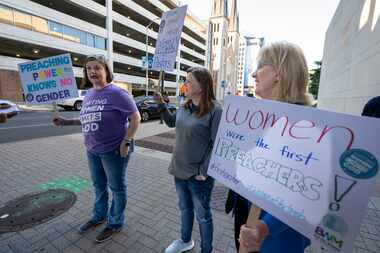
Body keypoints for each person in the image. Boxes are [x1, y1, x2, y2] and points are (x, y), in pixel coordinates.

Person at [52, 55, 141, 243]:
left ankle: (115, 222)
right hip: (92, 150)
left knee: (117, 188)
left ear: (106, 71)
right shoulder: (89, 94)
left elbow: (136, 118)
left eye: (97, 68)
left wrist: (126, 142)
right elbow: (88, 119)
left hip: (115, 150)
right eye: (88, 68)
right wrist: (66, 122)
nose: (92, 71)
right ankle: (99, 216)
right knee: (99, 186)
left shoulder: (118, 93)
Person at [238, 41, 313, 252]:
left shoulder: (305, 127)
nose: (253, 74)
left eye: (260, 66)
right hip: (250, 222)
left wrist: (263, 228)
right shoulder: (261, 116)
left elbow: (303, 194)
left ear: (279, 74)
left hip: (276, 238)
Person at [155, 67, 223, 253]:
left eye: (189, 81)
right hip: (179, 169)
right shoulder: (184, 106)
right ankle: (185, 241)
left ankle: (206, 250)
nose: (185, 84)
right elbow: (170, 122)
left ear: (202, 86)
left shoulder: (215, 110)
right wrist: (162, 104)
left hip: (198, 175)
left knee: (203, 216)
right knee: (185, 209)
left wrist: (203, 171)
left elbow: (217, 144)